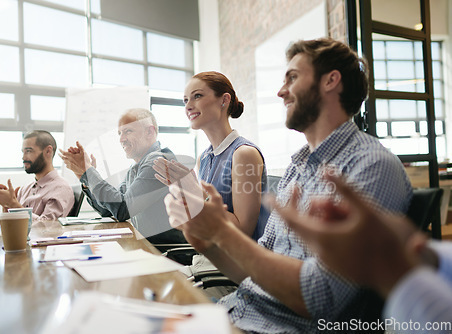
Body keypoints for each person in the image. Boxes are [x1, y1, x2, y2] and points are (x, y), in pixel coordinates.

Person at [164, 38, 413, 333]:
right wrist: (203, 240)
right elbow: (254, 271)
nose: (281, 92)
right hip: (238, 309)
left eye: (292, 78)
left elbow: (323, 299)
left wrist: (220, 231)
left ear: (331, 81)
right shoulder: (299, 167)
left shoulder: (371, 166)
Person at [273, 173, 452, 333]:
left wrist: (393, 270)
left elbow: (317, 300)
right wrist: (427, 257)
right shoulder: (295, 169)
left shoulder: (374, 163)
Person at [153, 71, 268, 282]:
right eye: (185, 100)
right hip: (206, 260)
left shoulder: (244, 154)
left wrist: (192, 191)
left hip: (236, 270)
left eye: (197, 96)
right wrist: (187, 193)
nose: (188, 106)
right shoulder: (204, 158)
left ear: (224, 100)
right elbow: (204, 213)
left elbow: (243, 230)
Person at [60, 108, 185, 244]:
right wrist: (84, 177)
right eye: (119, 133)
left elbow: (122, 210)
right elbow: (109, 210)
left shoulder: (158, 162)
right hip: (146, 246)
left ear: (150, 131)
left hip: (165, 252)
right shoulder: (135, 168)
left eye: (128, 131)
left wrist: (88, 171)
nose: (121, 139)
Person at [0, 130, 74, 220]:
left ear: (48, 151)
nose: (23, 157)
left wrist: (12, 204)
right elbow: (14, 224)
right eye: (23, 152)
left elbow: (47, 227)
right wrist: (7, 204)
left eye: (28, 151)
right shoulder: (25, 188)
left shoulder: (61, 189)